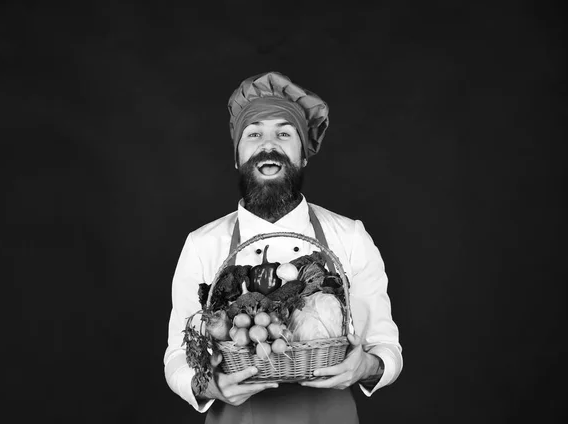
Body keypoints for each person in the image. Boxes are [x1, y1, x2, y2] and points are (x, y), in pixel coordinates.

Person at [164, 71, 403, 423]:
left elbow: (386, 346)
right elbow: (176, 359)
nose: (268, 143)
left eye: (284, 133)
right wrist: (210, 386)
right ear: (237, 156)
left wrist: (366, 366)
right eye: (254, 133)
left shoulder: (349, 236)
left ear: (303, 155)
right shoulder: (203, 244)